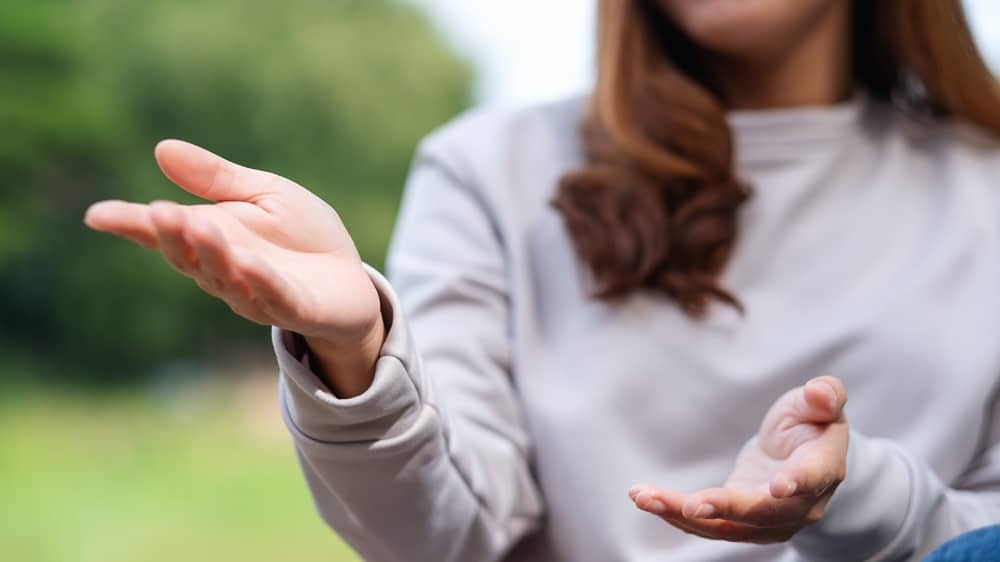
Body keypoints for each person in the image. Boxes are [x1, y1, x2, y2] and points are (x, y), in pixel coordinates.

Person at [83, 0, 1000, 560]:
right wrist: (356, 347)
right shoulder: (491, 169)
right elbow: (441, 539)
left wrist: (866, 495)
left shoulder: (984, 189)